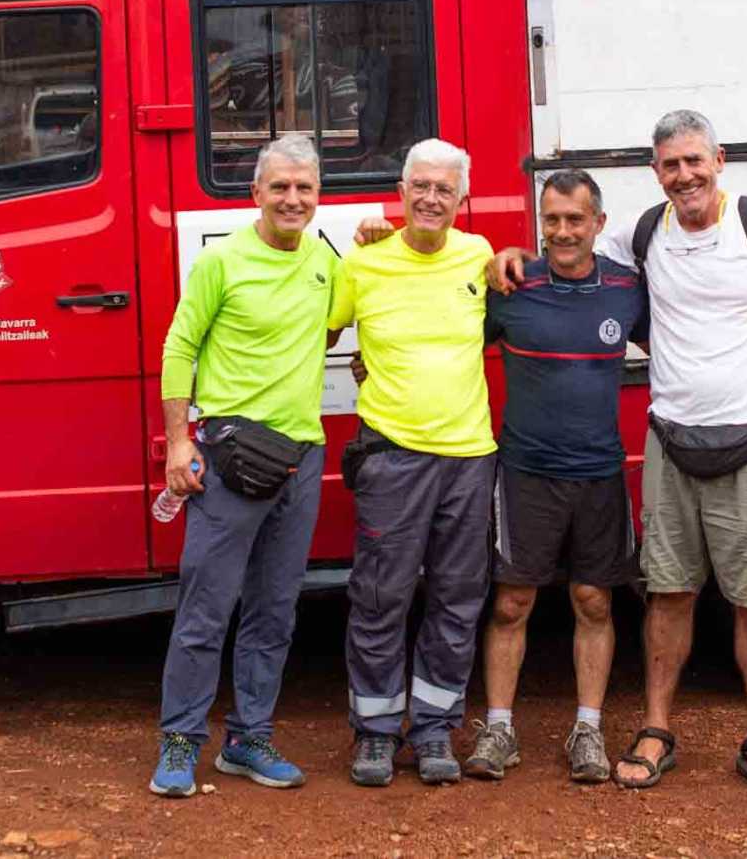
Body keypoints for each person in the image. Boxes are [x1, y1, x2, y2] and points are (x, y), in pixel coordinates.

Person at [493, 110, 747, 797]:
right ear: (656, 171)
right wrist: (509, 254)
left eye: (695, 160)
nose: (685, 175)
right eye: (671, 165)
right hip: (671, 441)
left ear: (719, 159)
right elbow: (573, 255)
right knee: (667, 593)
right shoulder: (643, 234)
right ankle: (656, 728)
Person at [150, 134, 341, 798]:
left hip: (301, 459)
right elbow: (179, 347)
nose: (293, 198)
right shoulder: (222, 261)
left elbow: (332, 325)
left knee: (274, 610)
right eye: (280, 186)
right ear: (256, 192)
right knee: (206, 607)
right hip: (230, 461)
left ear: (318, 196)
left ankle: (248, 738)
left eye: (304, 187)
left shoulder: (325, 260)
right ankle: (180, 740)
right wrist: (180, 443)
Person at [464, 169, 647, 784]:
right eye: (552, 220)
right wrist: (373, 363)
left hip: (599, 474)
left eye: (575, 219)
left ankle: (588, 729)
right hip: (526, 472)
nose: (563, 231)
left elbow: (688, 335)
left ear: (599, 223)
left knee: (593, 600)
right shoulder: (512, 285)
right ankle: (499, 728)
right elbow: (446, 343)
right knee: (512, 603)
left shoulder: (626, 289)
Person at [329, 138, 497, 788]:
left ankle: (433, 729)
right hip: (392, 454)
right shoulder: (363, 261)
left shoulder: (479, 255)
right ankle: (374, 732)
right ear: (400, 193)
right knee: (380, 597)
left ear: (462, 199)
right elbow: (316, 332)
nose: (431, 198)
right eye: (420, 186)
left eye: (444, 189)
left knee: (457, 600)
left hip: (468, 458)